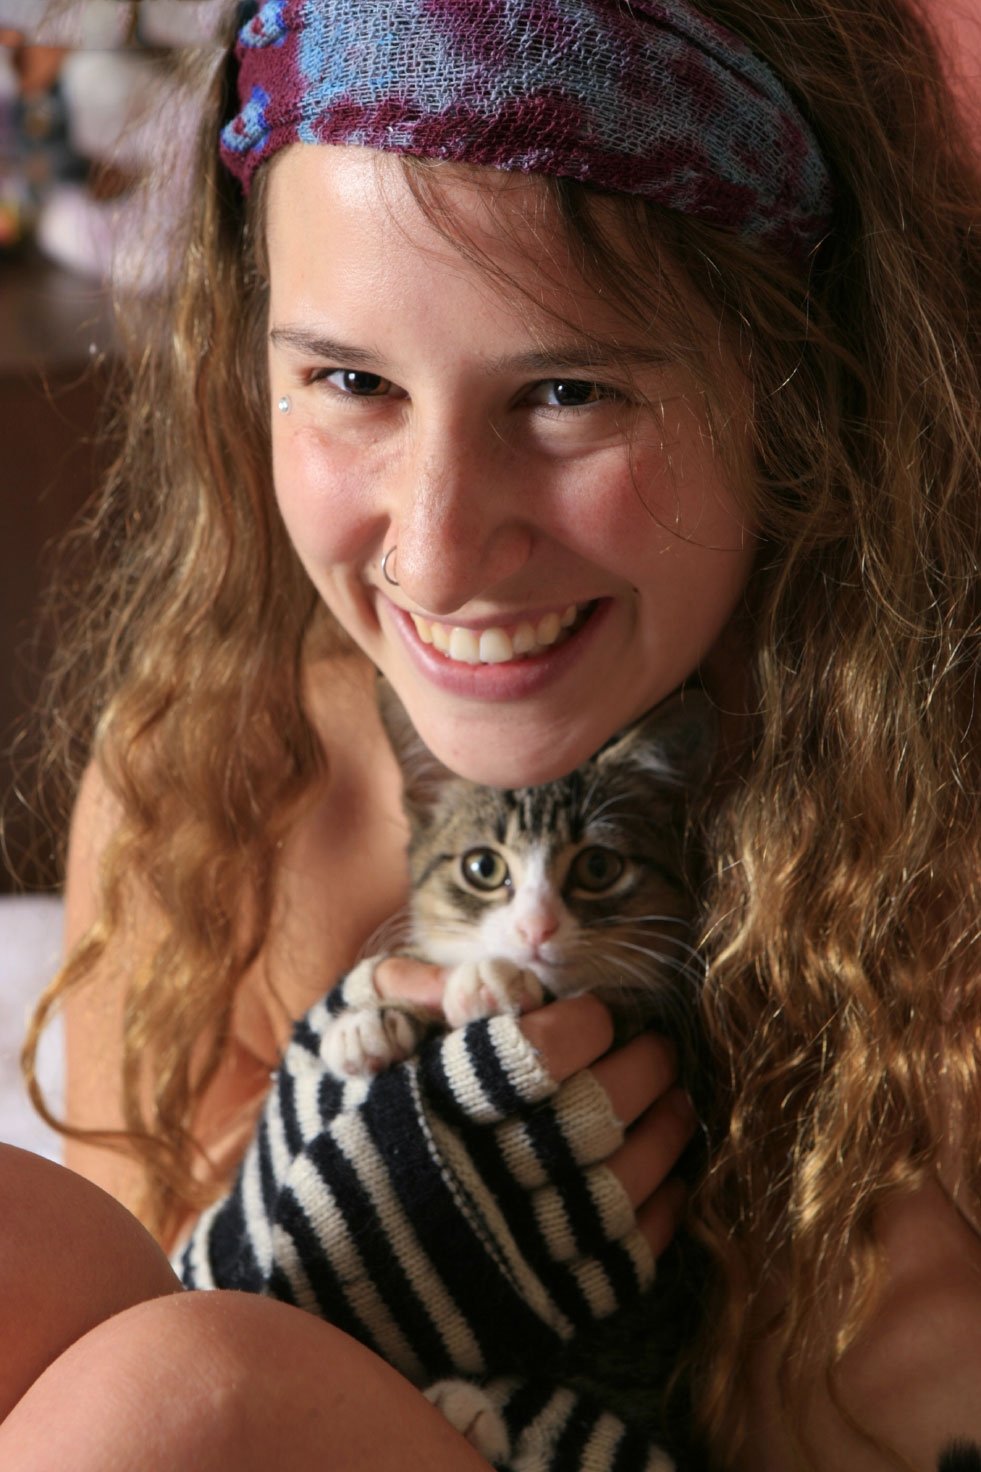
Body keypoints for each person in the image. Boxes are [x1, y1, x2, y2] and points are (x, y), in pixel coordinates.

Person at [4, 0, 980, 1467]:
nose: (440, 554)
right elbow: (140, 1319)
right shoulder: (217, 783)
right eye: (352, 382)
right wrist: (338, 1263)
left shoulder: (933, 822)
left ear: (803, 391)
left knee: (175, 1397)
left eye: (567, 392)